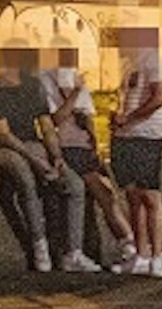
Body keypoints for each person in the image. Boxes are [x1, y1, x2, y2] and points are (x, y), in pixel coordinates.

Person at [0, 47, 98, 273]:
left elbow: (46, 126)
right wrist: (36, 160)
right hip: (2, 146)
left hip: (31, 142)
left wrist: (55, 156)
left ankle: (73, 253)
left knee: (74, 185)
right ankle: (39, 246)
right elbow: (3, 134)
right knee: (26, 178)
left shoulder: (33, 85)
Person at [42, 49, 137, 268]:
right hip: (68, 147)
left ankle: (129, 243)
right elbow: (54, 119)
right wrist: (74, 94)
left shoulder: (75, 82)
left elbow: (88, 117)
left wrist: (94, 143)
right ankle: (127, 244)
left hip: (83, 147)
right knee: (104, 193)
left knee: (109, 194)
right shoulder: (49, 84)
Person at [111, 28, 162, 278]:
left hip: (146, 135)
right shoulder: (130, 65)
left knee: (150, 196)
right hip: (126, 135)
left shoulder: (153, 60)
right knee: (133, 197)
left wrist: (130, 118)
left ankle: (156, 257)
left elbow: (159, 97)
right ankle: (141, 255)